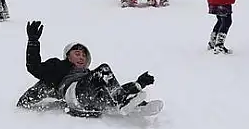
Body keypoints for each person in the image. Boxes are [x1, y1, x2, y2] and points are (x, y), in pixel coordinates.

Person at [16, 20, 156, 118]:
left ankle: (139, 106)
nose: (81, 57)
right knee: (104, 71)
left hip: (89, 100)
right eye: (77, 54)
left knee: (114, 88)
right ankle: (124, 102)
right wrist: (33, 42)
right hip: (74, 93)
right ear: (68, 56)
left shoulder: (89, 75)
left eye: (84, 55)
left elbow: (113, 89)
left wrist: (139, 83)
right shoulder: (58, 66)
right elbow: (34, 69)